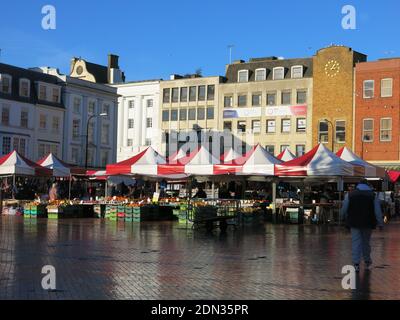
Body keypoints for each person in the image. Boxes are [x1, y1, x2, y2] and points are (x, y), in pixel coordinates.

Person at [340, 179, 384, 273]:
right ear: (367, 185)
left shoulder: (350, 194)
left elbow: (344, 208)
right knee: (366, 242)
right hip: (368, 222)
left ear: (358, 185)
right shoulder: (373, 195)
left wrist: (342, 217)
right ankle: (367, 261)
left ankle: (356, 264)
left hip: (354, 222)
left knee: (356, 242)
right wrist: (380, 223)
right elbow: (377, 211)